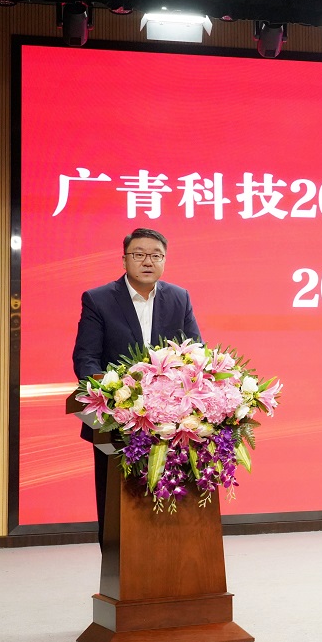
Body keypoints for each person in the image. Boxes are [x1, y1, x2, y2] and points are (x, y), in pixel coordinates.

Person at [72, 227, 201, 541]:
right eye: (139, 254)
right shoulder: (99, 299)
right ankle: (118, 564)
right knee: (118, 504)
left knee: (172, 500)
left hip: (172, 420)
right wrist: (110, 393)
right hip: (116, 421)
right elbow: (86, 358)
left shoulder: (179, 297)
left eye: (156, 255)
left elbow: (195, 351)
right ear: (124, 260)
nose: (148, 261)